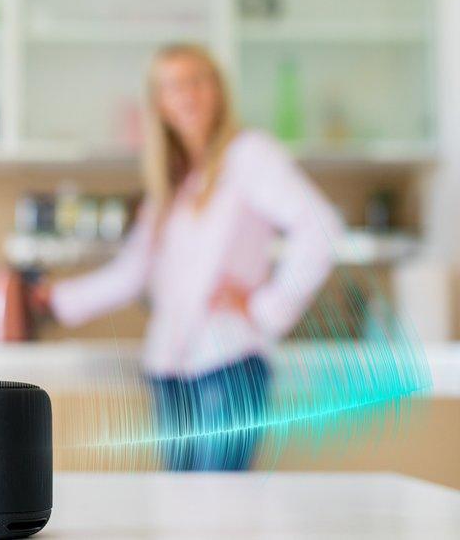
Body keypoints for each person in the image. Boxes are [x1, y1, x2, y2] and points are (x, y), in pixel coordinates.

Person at [33, 44, 344, 471]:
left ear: (218, 90)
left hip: (227, 364)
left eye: (197, 81)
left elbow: (322, 229)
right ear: (158, 103)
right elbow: (131, 273)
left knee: (217, 515)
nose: (186, 95)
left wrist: (266, 307)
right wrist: (53, 299)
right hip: (169, 373)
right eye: (171, 86)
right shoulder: (174, 184)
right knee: (179, 514)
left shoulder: (249, 155)